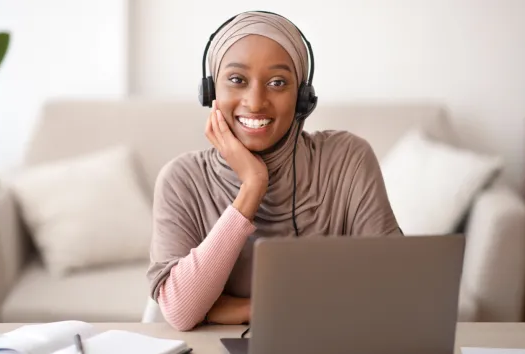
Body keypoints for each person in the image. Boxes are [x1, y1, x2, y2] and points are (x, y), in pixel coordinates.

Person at [146, 10, 402, 332]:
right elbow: (181, 312)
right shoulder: (181, 179)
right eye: (237, 80)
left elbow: (393, 290)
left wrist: (226, 307)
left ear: (302, 99)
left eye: (278, 82)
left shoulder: (348, 160)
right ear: (210, 92)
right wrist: (253, 185)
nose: (255, 102)